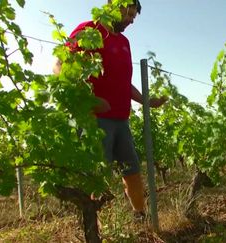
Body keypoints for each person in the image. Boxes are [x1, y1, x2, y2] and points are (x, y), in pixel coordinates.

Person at [54, 0, 166, 218]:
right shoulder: (89, 30)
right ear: (115, 5)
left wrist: (147, 101)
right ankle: (94, 226)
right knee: (96, 176)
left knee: (132, 170)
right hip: (95, 119)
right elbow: (60, 65)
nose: (131, 20)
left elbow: (124, 83)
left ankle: (140, 217)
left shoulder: (124, 42)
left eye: (134, 16)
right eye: (129, 13)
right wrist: (88, 99)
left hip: (121, 119)